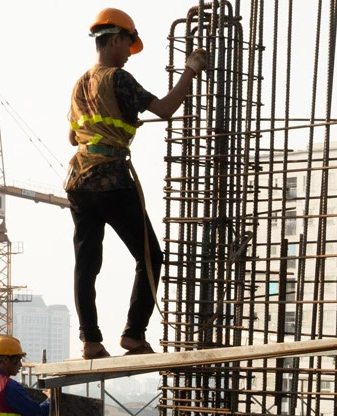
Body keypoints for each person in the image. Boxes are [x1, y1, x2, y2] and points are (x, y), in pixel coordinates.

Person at [66, 8, 209, 360]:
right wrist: (190, 70)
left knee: (87, 264)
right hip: (111, 179)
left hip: (79, 180)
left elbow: (73, 136)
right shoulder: (119, 79)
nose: (129, 54)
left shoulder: (80, 83)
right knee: (150, 257)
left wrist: (114, 125)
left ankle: (91, 341)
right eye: (129, 45)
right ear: (115, 39)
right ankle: (133, 333)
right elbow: (164, 109)